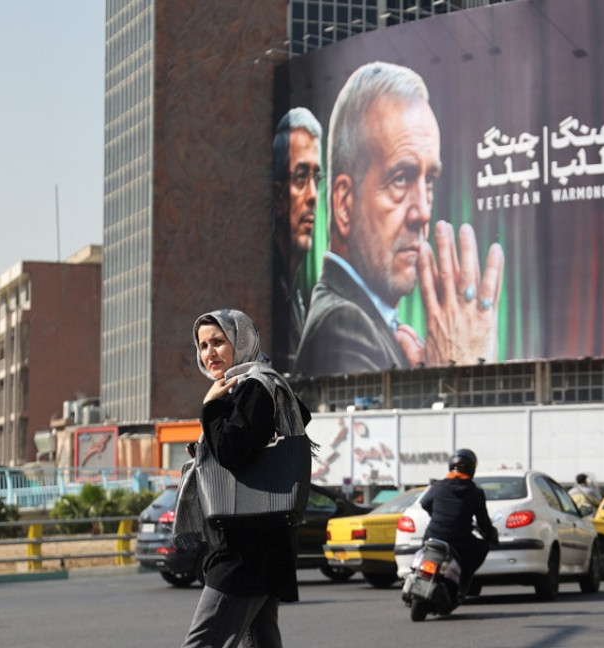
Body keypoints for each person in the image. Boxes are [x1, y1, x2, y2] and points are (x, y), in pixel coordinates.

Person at [293, 61, 505, 377]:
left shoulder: (370, 320)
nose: (423, 213)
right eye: (401, 179)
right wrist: (460, 369)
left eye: (429, 179)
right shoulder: (343, 326)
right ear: (344, 205)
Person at [181, 309, 311, 648]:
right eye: (203, 345)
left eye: (219, 342)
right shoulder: (252, 387)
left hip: (245, 550)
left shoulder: (255, 387)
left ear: (242, 341)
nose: (209, 353)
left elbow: (231, 451)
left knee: (202, 643)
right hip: (259, 541)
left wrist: (210, 407)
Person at [271, 107, 324, 372]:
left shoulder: (297, 299)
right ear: (279, 196)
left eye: (317, 177)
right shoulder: (266, 294)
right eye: (301, 177)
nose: (313, 195)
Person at [419, 448, 499, 595]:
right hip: (459, 540)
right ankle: (462, 586)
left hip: (432, 534)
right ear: (471, 469)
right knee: (481, 548)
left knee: (422, 550)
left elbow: (424, 504)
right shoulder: (475, 493)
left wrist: (436, 515)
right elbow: (483, 522)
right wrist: (491, 536)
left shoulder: (437, 487)